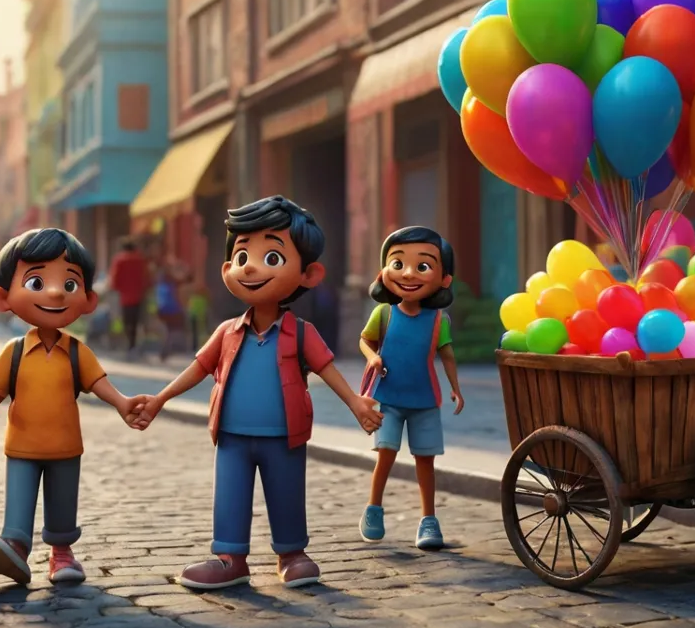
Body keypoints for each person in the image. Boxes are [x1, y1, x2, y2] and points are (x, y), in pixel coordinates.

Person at [134, 196, 382, 590]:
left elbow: (327, 369)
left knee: (286, 493)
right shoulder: (227, 332)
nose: (250, 266)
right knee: (229, 494)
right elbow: (198, 368)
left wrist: (355, 403)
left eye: (272, 257)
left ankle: (292, 553)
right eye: (241, 254)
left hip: (284, 434)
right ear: (227, 268)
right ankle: (230, 557)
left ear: (309, 273)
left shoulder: (301, 333)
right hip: (231, 435)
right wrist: (160, 399)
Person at [0, 229, 150, 585]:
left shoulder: (76, 352)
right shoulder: (12, 353)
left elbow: (98, 383)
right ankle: (14, 546)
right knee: (19, 501)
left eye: (69, 285)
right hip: (21, 447)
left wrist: (121, 403)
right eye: (37, 281)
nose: (56, 292)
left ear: (88, 300)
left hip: (65, 447)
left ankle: (62, 554)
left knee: (62, 504)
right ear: (2, 297)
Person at [357, 227, 464, 550]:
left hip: (425, 400)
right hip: (388, 397)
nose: (408, 274)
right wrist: (373, 356)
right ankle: (373, 509)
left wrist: (456, 389)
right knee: (385, 455)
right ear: (384, 271)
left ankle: (428, 520)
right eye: (398, 263)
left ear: (444, 279)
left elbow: (447, 356)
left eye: (423, 266)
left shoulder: (438, 320)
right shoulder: (384, 313)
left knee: (425, 460)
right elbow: (364, 340)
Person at [107, 238, 149, 355]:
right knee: (137, 321)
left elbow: (114, 279)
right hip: (139, 295)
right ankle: (134, 345)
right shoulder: (141, 260)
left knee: (126, 321)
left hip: (124, 297)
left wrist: (115, 287)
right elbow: (146, 277)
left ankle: (128, 344)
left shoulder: (119, 260)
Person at [155, 257, 186, 362]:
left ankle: (165, 350)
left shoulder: (161, 285)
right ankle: (165, 351)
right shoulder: (172, 285)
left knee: (167, 332)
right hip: (171, 310)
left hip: (163, 310)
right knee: (170, 332)